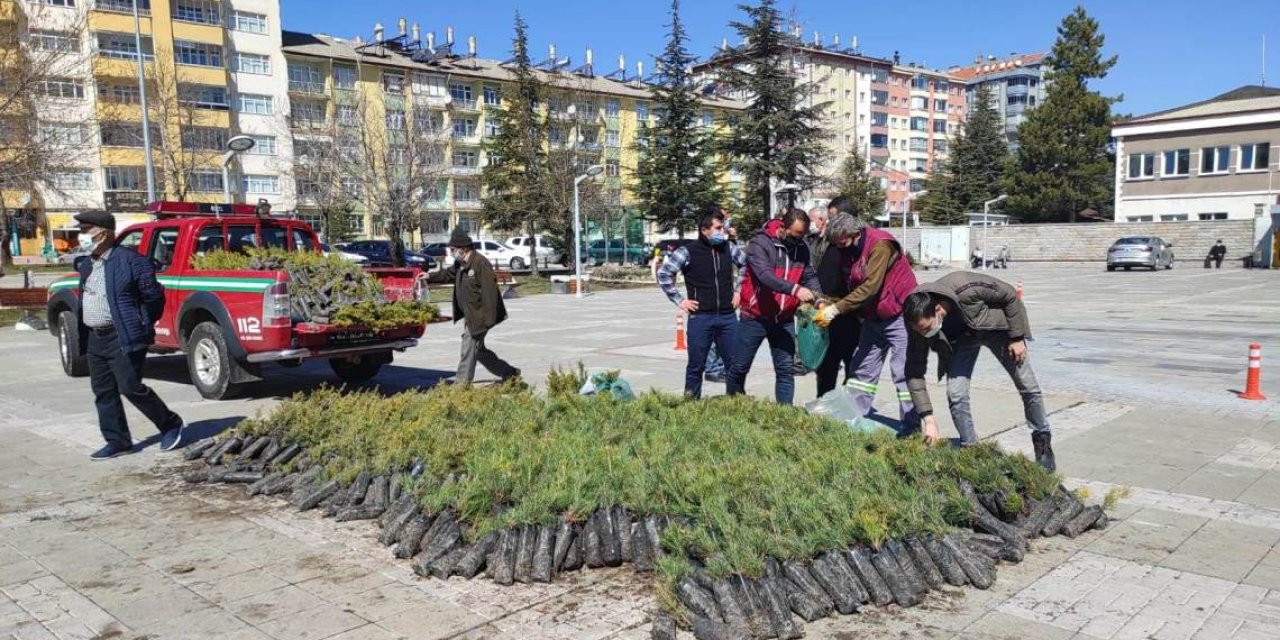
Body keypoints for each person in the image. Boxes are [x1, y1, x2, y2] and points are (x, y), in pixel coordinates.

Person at [901, 271, 1055, 471]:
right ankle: (970, 449)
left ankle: (1042, 440)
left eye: (927, 327)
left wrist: (1017, 337)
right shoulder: (917, 323)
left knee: (1028, 386)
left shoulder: (966, 286)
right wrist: (928, 419)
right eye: (920, 330)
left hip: (998, 330)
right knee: (955, 393)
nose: (924, 333)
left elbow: (1009, 294)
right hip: (963, 339)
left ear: (938, 310)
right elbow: (913, 371)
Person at [74, 211, 185, 460]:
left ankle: (170, 423)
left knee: (130, 386)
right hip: (95, 337)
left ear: (102, 233)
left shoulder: (132, 261)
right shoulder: (87, 264)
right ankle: (118, 441)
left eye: (85, 230)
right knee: (103, 391)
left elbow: (154, 297)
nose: (81, 236)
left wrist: (141, 324)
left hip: (121, 336)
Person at [815, 211, 919, 432]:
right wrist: (827, 302)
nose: (838, 248)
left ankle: (913, 428)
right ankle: (852, 422)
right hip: (873, 316)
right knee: (861, 370)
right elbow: (851, 286)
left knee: (903, 372)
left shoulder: (880, 245)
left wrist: (836, 309)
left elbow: (870, 287)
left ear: (854, 233)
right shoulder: (847, 250)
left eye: (840, 242)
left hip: (899, 314)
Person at [727, 208, 820, 405]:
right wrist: (795, 289)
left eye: (802, 236)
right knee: (740, 366)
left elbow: (809, 275)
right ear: (782, 228)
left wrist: (818, 298)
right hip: (755, 317)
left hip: (784, 319)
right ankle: (733, 404)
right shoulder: (760, 244)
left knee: (785, 369)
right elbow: (765, 276)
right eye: (795, 235)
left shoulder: (801, 248)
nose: (798, 240)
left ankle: (784, 412)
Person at [657, 207, 745, 398]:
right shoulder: (687, 252)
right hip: (701, 317)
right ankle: (691, 405)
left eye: (723, 228)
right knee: (696, 365)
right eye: (718, 228)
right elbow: (664, 274)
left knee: (735, 365)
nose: (722, 232)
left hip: (728, 317)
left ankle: (737, 403)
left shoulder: (729, 249)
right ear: (704, 230)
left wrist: (739, 290)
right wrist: (680, 300)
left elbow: (746, 265)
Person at [429, 228, 520, 385]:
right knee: (478, 352)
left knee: (468, 348)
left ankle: (461, 386)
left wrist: (487, 322)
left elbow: (490, 294)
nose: (451, 252)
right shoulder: (461, 263)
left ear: (463, 248)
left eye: (453, 249)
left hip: (480, 316)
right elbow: (448, 274)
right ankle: (509, 373)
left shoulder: (480, 264)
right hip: (470, 315)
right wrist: (429, 277)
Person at [812, 208, 863, 397]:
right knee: (826, 365)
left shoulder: (857, 246)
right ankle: (824, 401)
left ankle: (849, 404)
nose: (831, 221)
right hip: (825, 311)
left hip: (851, 315)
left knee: (853, 365)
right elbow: (813, 271)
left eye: (834, 215)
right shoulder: (823, 242)